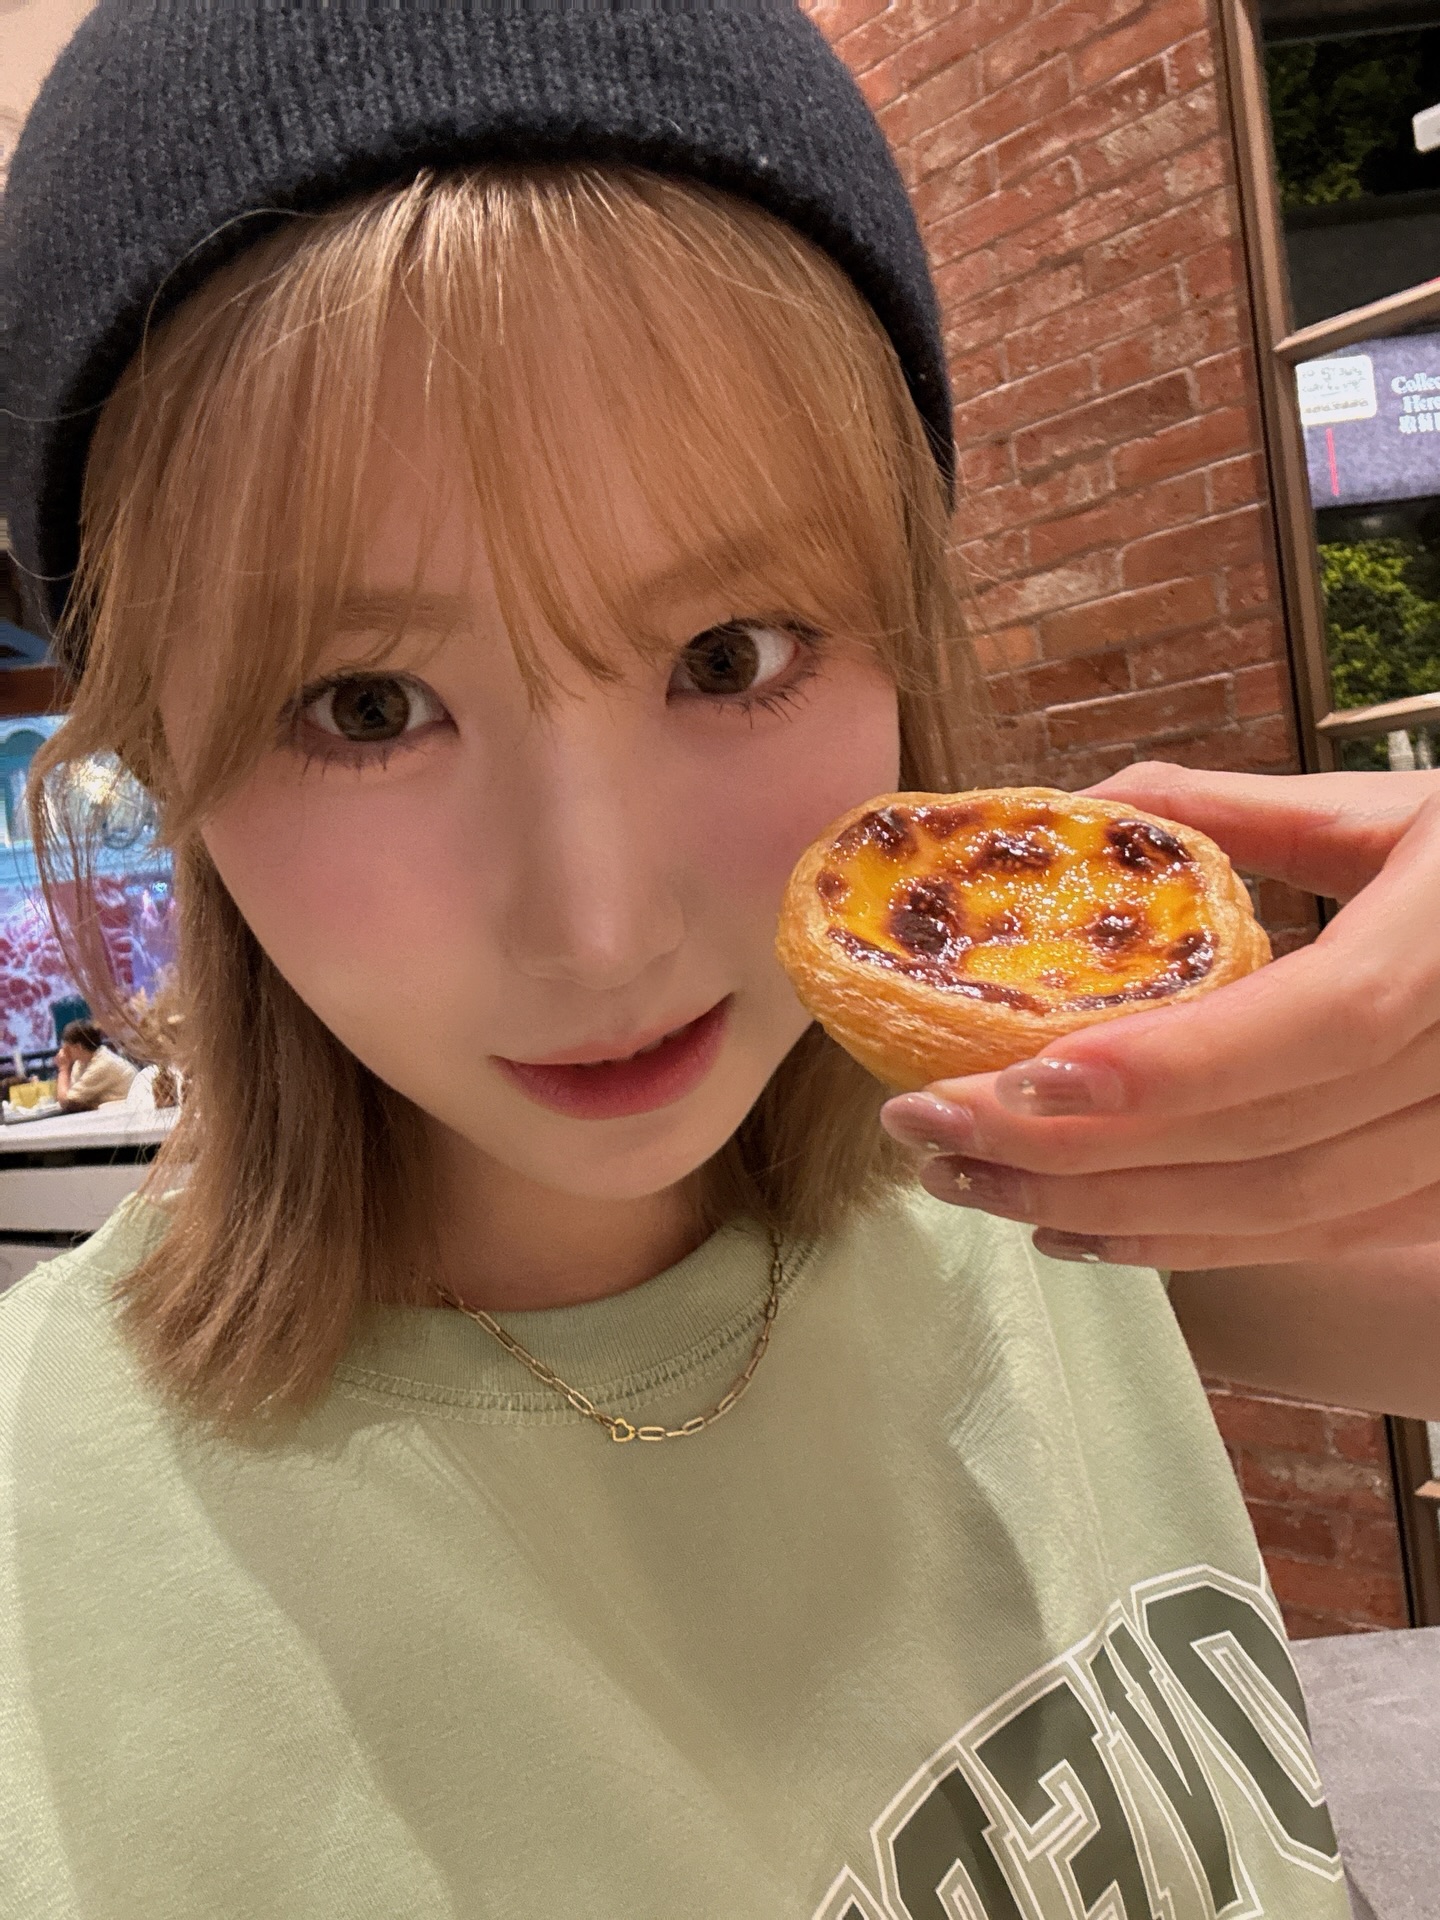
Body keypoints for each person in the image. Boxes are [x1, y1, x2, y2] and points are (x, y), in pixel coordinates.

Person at [0, 7, 1435, 1917]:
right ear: (153, 743)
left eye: (729, 655)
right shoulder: (46, 1582)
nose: (600, 928)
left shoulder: (1049, 1187)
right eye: (366, 704)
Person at [53, 1018, 136, 1112]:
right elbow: (70, 1099)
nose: (64, 1051)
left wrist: (63, 1069)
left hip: (127, 1113)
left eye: (67, 1047)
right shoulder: (80, 1063)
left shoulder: (103, 1063)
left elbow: (66, 1101)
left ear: (78, 1047)